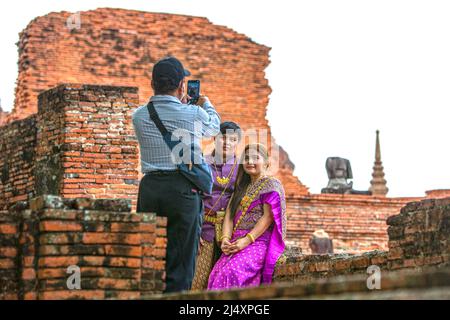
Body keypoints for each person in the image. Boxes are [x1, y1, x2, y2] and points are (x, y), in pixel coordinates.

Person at [132, 56, 220, 293]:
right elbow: (214, 126)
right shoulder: (193, 113)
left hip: (150, 189)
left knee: (147, 255)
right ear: (182, 85)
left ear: (152, 84)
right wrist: (204, 102)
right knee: (180, 263)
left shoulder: (139, 116)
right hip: (182, 190)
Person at [207, 143, 286, 290]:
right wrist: (225, 239)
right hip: (234, 243)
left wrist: (246, 240)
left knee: (233, 272)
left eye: (255, 158)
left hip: (257, 242)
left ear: (267, 162)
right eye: (247, 158)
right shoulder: (241, 188)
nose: (249, 162)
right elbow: (229, 217)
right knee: (216, 274)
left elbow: (267, 218)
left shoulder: (271, 184)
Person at [191, 121, 242, 291]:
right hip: (203, 228)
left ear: (237, 142)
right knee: (197, 280)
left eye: (232, 139)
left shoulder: (242, 168)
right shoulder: (202, 162)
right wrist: (193, 229)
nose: (227, 142)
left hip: (231, 233)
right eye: (223, 138)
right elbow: (192, 196)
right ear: (215, 138)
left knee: (224, 284)